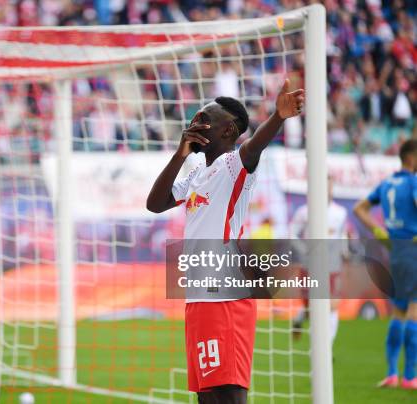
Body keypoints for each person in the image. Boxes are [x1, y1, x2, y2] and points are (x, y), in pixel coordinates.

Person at [147, 79, 304, 403]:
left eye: (205, 119)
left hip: (226, 297)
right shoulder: (195, 175)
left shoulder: (232, 165)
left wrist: (277, 117)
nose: (195, 123)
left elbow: (254, 147)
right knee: (207, 396)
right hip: (199, 298)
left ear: (228, 131)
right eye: (195, 118)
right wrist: (180, 154)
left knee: (230, 393)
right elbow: (155, 203)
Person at [353, 138, 417, 390]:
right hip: (412, 251)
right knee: (413, 311)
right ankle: (410, 377)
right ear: (411, 158)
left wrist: (381, 233)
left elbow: (360, 208)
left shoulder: (387, 183)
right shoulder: (413, 182)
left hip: (394, 253)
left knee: (399, 311)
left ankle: (392, 373)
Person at [289, 176, 349, 345]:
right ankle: (301, 316)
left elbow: (342, 234)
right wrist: (304, 250)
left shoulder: (340, 212)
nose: (328, 190)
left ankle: (325, 348)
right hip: (310, 267)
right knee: (313, 310)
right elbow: (292, 233)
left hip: (332, 266)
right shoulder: (304, 211)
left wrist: (345, 251)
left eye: (330, 185)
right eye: (325, 185)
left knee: (332, 306)